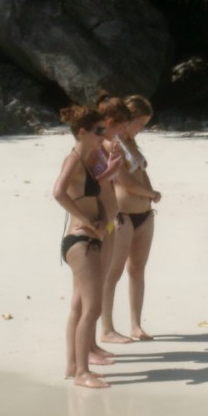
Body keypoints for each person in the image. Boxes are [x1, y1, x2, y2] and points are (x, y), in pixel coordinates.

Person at [53, 105, 120, 389]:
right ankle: (82, 373)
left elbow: (87, 193)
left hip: (87, 238)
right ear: (82, 132)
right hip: (80, 241)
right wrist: (87, 221)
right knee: (92, 309)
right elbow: (58, 192)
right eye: (98, 131)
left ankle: (72, 366)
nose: (102, 135)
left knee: (80, 306)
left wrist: (103, 223)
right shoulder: (73, 159)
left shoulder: (86, 161)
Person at [99, 94, 161, 343]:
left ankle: (136, 324)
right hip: (122, 215)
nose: (141, 129)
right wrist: (151, 193)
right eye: (140, 123)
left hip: (144, 214)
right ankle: (107, 328)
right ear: (127, 120)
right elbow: (123, 180)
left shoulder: (132, 144)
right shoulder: (111, 145)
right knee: (112, 272)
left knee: (137, 269)